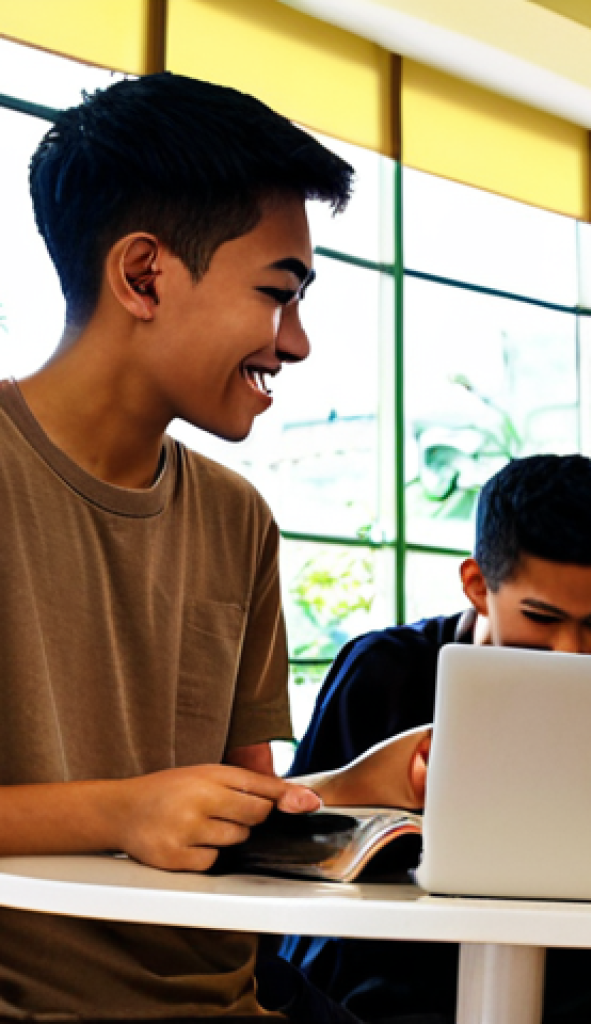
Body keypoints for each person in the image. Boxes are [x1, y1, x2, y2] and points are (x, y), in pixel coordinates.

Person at [0, 72, 428, 1022]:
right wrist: (120, 811)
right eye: (280, 293)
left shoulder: (238, 518)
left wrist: (352, 790)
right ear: (144, 274)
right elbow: (144, 809)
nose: (300, 342)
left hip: (236, 1001)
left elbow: (208, 811)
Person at [274, 453, 591, 1023]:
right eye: (541, 618)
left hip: (554, 958)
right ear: (477, 585)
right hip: (381, 963)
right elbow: (294, 843)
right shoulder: (384, 672)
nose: (572, 652)